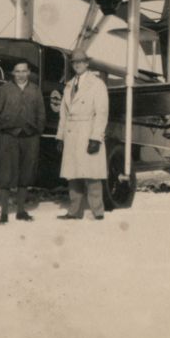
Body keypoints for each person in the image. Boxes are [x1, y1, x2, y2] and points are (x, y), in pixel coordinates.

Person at [0, 60, 46, 224]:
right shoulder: (4, 90)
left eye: (24, 71)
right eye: (17, 71)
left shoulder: (35, 90)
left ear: (28, 73)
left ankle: (21, 211)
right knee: (5, 174)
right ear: (13, 73)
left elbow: (41, 113)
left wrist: (37, 131)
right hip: (8, 137)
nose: (21, 74)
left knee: (26, 173)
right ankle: (4, 213)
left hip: (30, 137)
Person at [56, 48, 109, 220]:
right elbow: (63, 114)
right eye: (74, 62)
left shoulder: (97, 84)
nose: (77, 65)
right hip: (71, 134)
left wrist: (96, 138)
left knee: (92, 175)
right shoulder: (69, 86)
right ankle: (74, 211)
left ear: (87, 63)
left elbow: (102, 113)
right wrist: (60, 137)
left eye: (81, 62)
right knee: (73, 175)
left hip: (88, 132)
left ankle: (98, 212)